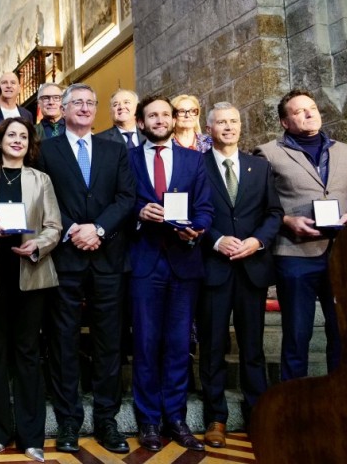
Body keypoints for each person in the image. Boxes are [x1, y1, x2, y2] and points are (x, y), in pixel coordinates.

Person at [37, 84, 136, 455]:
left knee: (109, 341)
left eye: (89, 103)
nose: (83, 107)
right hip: (64, 258)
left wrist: (97, 229)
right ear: (62, 110)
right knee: (63, 342)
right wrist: (72, 229)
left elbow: (127, 197)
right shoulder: (46, 150)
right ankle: (68, 420)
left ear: (96, 110)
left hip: (108, 257)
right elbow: (41, 196)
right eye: (75, 102)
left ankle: (107, 420)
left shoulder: (115, 149)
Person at [0, 118, 62, 462]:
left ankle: (31, 436)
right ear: (0, 141)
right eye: (12, 135)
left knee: (27, 355)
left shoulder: (41, 180)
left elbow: (54, 225)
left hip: (30, 273)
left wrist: (37, 245)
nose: (18, 140)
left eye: (24, 136)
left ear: (30, 143)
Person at [127, 94, 213, 453]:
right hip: (145, 261)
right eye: (153, 115)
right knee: (146, 344)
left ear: (174, 120)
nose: (160, 120)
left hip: (183, 259)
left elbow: (206, 208)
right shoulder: (126, 158)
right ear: (142, 123)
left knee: (178, 345)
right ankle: (148, 420)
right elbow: (119, 199)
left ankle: (175, 417)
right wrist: (138, 212)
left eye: (166, 114)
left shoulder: (194, 160)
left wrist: (197, 228)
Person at [199, 102, 282, 448]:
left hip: (251, 268)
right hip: (214, 268)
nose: (228, 127)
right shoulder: (196, 166)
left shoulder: (259, 168)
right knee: (214, 346)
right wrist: (216, 239)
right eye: (221, 122)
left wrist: (257, 241)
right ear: (210, 128)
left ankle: (257, 412)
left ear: (240, 127)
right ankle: (216, 418)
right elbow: (187, 212)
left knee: (252, 348)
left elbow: (274, 212)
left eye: (234, 121)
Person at [254, 89, 347, 381]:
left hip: (340, 253)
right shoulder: (268, 153)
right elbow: (256, 204)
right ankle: (294, 409)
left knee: (341, 331)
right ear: (285, 122)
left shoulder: (344, 151)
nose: (309, 114)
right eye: (299, 111)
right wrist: (286, 220)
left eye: (312, 108)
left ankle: (337, 405)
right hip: (295, 254)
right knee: (297, 334)